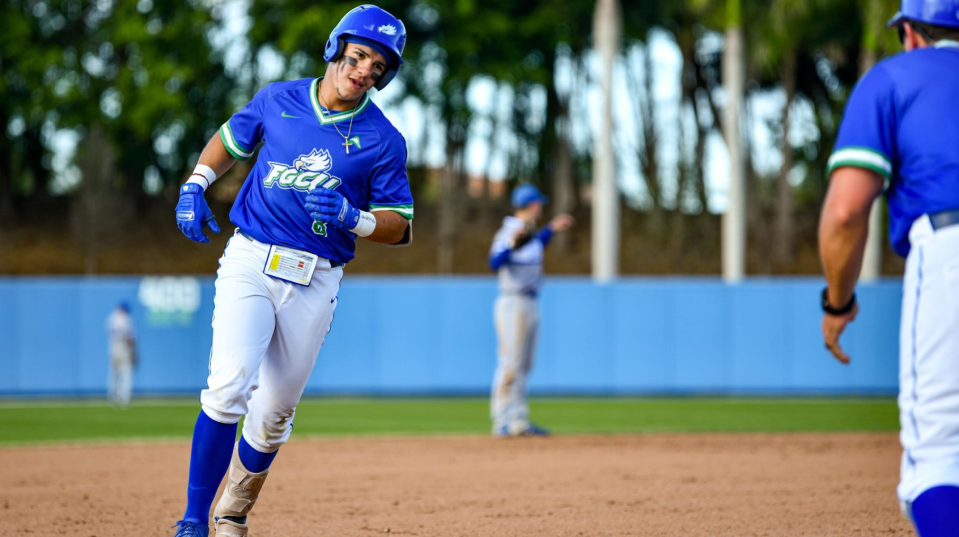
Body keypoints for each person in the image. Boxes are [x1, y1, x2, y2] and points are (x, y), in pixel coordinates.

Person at [169, 5, 413, 536]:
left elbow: (399, 225)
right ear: (335, 49)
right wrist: (195, 182)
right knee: (228, 386)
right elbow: (231, 141)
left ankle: (232, 511)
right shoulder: (278, 99)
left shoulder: (384, 139)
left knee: (274, 414)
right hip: (251, 258)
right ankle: (193, 521)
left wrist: (358, 219)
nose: (364, 71)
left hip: (316, 276)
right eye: (358, 56)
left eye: (378, 66)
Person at [818, 1, 959, 535]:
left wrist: (838, 301)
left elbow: (845, 211)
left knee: (940, 458)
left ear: (911, 33)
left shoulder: (893, 78)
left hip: (949, 248)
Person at [488, 184, 574, 438]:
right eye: (539, 203)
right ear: (532, 204)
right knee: (510, 364)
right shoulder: (509, 230)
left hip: (531, 301)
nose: (541, 207)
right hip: (512, 302)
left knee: (524, 365)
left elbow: (535, 244)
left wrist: (552, 230)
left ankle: (518, 421)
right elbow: (494, 262)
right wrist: (511, 245)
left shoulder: (531, 232)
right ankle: (501, 421)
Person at [105, 302, 136, 408]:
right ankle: (125, 397)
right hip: (123, 347)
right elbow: (129, 336)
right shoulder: (125, 318)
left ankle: (113, 396)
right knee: (126, 372)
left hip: (113, 347)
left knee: (114, 373)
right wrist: (133, 351)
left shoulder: (111, 318)